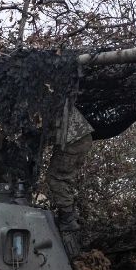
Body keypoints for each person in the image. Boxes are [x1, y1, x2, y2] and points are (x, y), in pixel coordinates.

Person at [46, 105, 93, 258]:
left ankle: (68, 221)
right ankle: (69, 217)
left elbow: (28, 127)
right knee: (63, 180)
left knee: (56, 178)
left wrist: (4, 133)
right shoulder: (41, 97)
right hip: (77, 138)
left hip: (74, 139)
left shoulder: (32, 99)